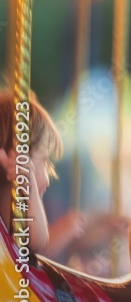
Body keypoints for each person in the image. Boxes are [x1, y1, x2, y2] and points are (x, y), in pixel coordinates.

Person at [0, 91, 87, 257]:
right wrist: (29, 184)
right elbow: (37, 241)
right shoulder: (11, 199)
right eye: (45, 161)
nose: (48, 178)